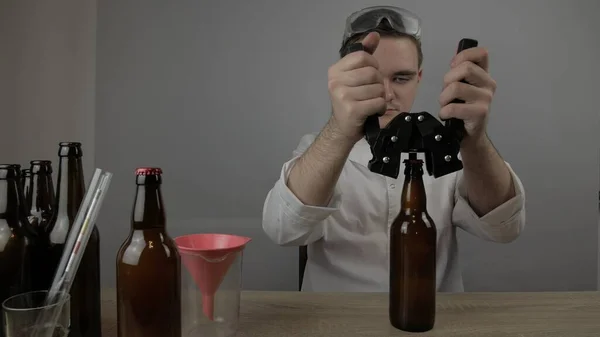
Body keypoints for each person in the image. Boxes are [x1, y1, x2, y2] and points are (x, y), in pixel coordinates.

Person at [262, 6, 526, 292]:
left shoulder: (449, 148)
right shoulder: (316, 149)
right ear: (345, 79)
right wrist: (340, 130)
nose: (387, 94)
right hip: (334, 322)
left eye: (401, 78)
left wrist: (474, 141)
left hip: (432, 324)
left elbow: (504, 228)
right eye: (372, 78)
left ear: (419, 78)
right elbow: (282, 230)